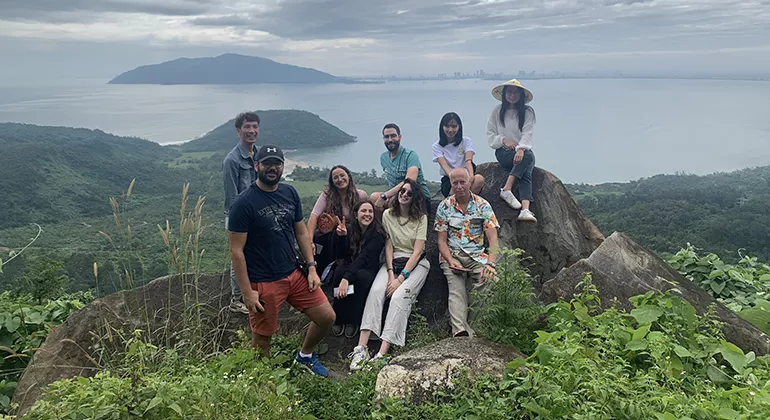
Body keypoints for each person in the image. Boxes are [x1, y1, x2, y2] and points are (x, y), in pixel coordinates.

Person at [228, 145, 335, 377]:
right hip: (264, 281)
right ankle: (263, 385)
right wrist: (246, 292)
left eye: (277, 163)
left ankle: (305, 356)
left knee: (327, 316)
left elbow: (301, 233)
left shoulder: (290, 193)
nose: (272, 168)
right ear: (256, 166)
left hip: (294, 274)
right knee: (262, 340)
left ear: (283, 166)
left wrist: (311, 268)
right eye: (267, 163)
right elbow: (236, 251)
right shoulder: (243, 203)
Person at [349, 179, 431, 371]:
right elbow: (389, 245)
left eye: (409, 193)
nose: (404, 194)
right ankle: (361, 348)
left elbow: (418, 252)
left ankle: (382, 353)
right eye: (402, 191)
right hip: (392, 263)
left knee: (399, 297)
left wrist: (400, 279)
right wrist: (390, 273)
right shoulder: (388, 215)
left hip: (416, 263)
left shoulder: (421, 218)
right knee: (376, 291)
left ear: (415, 198)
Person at [434, 168, 500, 338]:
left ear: (469, 182)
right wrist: (450, 261)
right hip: (452, 255)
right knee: (456, 290)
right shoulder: (445, 206)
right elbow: (441, 240)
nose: (459, 186)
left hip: (476, 256)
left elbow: (493, 240)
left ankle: (472, 327)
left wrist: (491, 264)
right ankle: (459, 332)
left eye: (462, 182)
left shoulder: (482, 205)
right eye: (455, 183)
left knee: (490, 281)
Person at [330, 200, 386, 339]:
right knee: (338, 271)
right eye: (363, 211)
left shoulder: (377, 235)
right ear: (356, 214)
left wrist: (346, 278)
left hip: (367, 269)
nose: (367, 214)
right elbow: (341, 255)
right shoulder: (348, 229)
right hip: (350, 265)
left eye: (370, 211)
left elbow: (365, 258)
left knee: (360, 278)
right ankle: (339, 315)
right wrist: (342, 238)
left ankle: (354, 320)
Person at [223, 111, 260, 314]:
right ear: (238, 131)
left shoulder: (260, 154)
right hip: (239, 216)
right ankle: (237, 299)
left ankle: (253, 290)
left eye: (254, 126)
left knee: (255, 252)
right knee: (239, 254)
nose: (251, 131)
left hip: (257, 214)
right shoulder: (232, 160)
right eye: (247, 127)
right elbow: (232, 198)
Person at [486, 79, 538, 222]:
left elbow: (528, 133)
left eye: (515, 92)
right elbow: (490, 135)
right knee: (528, 159)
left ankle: (523, 207)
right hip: (504, 152)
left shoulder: (528, 112)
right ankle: (518, 201)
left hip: (522, 151)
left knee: (526, 163)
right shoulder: (497, 111)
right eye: (509, 92)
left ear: (521, 95)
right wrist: (504, 140)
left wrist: (520, 149)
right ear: (504, 94)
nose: (512, 95)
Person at [307, 165, 368, 278]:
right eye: (335, 177)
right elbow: (314, 216)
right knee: (318, 236)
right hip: (331, 236)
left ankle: (340, 264)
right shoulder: (327, 195)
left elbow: (368, 215)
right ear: (332, 181)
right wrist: (309, 242)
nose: (339, 179)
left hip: (352, 234)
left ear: (348, 176)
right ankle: (321, 269)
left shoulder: (360, 195)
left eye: (342, 175)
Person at [370, 123, 432, 212]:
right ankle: (381, 225)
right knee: (374, 197)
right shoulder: (383, 158)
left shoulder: (410, 155)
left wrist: (385, 196)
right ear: (383, 139)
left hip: (416, 195)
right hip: (397, 195)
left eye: (393, 136)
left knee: (392, 202)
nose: (390, 140)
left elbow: (410, 181)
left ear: (399, 137)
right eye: (387, 137)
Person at [432, 112, 485, 198]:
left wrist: (470, 178)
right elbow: (445, 167)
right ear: (442, 127)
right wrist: (456, 181)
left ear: (459, 127)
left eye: (454, 126)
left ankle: (469, 204)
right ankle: (457, 207)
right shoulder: (436, 146)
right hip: (449, 179)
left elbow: (468, 161)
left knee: (479, 179)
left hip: (466, 175)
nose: (450, 130)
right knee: (456, 187)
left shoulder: (466, 141)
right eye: (447, 126)